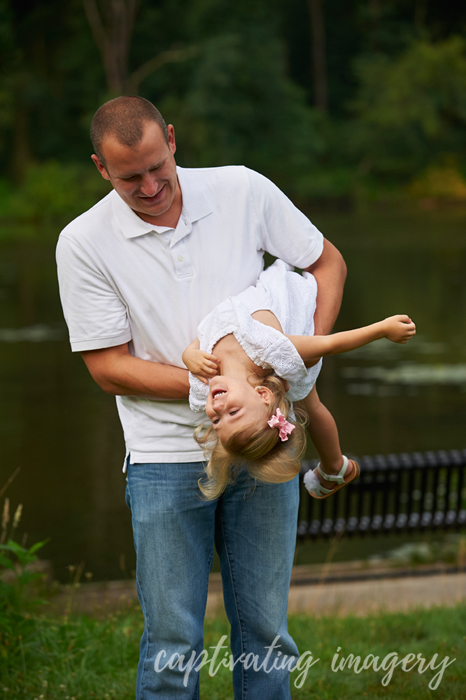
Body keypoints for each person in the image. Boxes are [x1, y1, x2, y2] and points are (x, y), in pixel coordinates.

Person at [56, 95, 347, 700]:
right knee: (171, 644)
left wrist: (295, 364)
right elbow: (109, 368)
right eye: (130, 177)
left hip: (267, 445)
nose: (151, 185)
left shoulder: (241, 190)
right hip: (164, 459)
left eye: (157, 165)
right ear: (100, 168)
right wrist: (219, 391)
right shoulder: (82, 242)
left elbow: (326, 264)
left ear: (170, 137)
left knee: (266, 635)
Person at [182, 259, 416, 500]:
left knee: (306, 402)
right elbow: (330, 344)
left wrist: (189, 354)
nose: (217, 409)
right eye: (232, 413)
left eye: (216, 420)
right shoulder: (269, 348)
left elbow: (208, 330)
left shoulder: (206, 374)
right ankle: (336, 464)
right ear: (262, 394)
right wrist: (382, 329)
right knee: (309, 403)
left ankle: (336, 467)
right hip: (289, 315)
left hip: (267, 354)